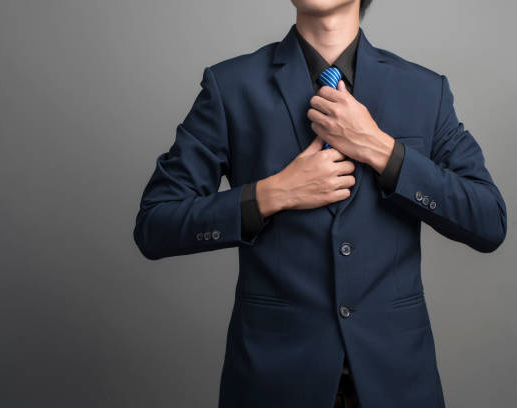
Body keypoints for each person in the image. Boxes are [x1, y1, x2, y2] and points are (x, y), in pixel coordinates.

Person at [133, 1, 508, 407]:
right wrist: (275, 193)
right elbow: (156, 225)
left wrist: (383, 151)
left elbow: (489, 221)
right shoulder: (231, 86)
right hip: (272, 384)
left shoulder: (424, 90)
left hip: (398, 383)